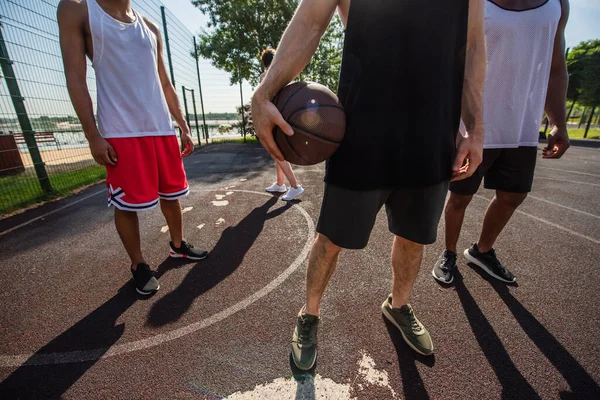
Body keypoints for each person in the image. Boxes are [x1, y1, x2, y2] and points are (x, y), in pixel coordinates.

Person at [252, 0, 486, 369]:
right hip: (362, 133)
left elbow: (472, 47)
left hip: (432, 136)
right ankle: (309, 315)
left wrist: (477, 127)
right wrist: (264, 92)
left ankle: (399, 306)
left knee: (414, 238)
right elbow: (311, 22)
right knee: (331, 240)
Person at [58, 0, 208, 296]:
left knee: (172, 193)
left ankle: (178, 246)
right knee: (126, 204)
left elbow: (165, 83)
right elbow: (75, 77)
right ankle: (138, 265)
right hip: (121, 132)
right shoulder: (78, 9)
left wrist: (183, 124)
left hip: (161, 128)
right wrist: (92, 135)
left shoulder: (150, 27)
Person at [432, 0, 570, 285]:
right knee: (460, 196)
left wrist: (559, 122)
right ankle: (449, 253)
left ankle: (481, 251)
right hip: (473, 122)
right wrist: (456, 121)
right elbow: (454, 58)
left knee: (513, 195)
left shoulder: (557, 4)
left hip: (522, 122)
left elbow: (556, 67)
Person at [259, 48, 305, 201]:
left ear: (264, 62)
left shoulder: (264, 76)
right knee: (277, 154)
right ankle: (280, 184)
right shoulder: (284, 75)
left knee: (278, 154)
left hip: (273, 119)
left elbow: (263, 100)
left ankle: (295, 186)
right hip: (285, 116)